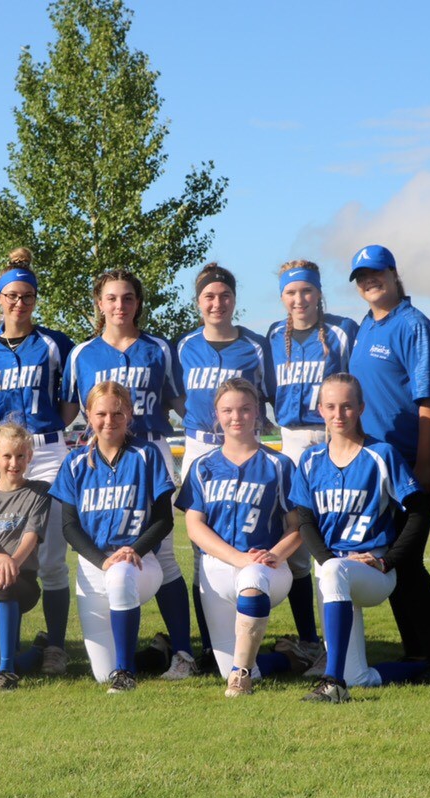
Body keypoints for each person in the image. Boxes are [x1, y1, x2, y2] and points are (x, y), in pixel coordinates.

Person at [61, 268, 196, 680]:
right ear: (99, 304)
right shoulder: (82, 353)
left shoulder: (158, 347)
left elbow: (180, 402)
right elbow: (67, 411)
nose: (120, 305)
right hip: (98, 449)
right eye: (112, 298)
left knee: (166, 556)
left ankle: (184, 654)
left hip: (149, 445)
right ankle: (145, 652)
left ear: (138, 303)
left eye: (128, 298)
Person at [347, 244, 430, 681]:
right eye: (361, 277)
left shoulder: (413, 325)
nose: (369, 282)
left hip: (408, 460)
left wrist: (423, 462)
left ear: (395, 274)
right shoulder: (366, 325)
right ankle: (419, 651)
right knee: (393, 559)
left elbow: (427, 399)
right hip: (375, 463)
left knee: (407, 560)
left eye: (376, 274)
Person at [291, 373, 430, 703]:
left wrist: (388, 560)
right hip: (332, 571)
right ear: (320, 410)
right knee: (359, 676)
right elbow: (305, 521)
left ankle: (332, 682)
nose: (338, 414)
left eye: (346, 406)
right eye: (331, 406)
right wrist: (330, 562)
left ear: (361, 408)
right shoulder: (311, 460)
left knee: (331, 571)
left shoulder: (381, 454)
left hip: (372, 571)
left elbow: (417, 513)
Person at [177, 379, 311, 697]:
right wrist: (237, 558)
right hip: (218, 568)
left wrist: (276, 555)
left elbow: (298, 526)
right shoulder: (202, 466)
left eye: (244, 409)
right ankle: (286, 657)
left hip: (267, 566)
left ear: (258, 414)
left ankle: (241, 678)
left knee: (252, 576)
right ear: (217, 415)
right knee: (233, 661)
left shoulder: (279, 465)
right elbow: (194, 526)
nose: (236, 417)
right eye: (228, 410)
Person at [0, 248, 74, 675]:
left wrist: (50, 436)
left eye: (27, 296)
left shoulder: (54, 344)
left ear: (36, 299)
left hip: (47, 451)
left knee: (50, 555)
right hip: (0, 455)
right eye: (11, 295)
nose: (19, 303)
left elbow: (68, 402)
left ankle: (54, 644)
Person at [174, 263, 272, 672]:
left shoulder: (255, 345)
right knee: (203, 552)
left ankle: (304, 640)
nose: (217, 303)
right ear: (198, 302)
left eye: (224, 295)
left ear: (234, 299)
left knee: (269, 538)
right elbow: (177, 398)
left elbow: (266, 398)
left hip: (247, 445)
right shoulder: (182, 346)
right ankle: (212, 646)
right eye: (209, 296)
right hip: (201, 447)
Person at [49, 382, 176, 693]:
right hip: (94, 566)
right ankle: (156, 655)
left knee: (120, 576)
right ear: (88, 415)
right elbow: (69, 526)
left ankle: (127, 673)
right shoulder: (75, 461)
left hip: (139, 561)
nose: (109, 421)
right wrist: (103, 561)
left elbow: (164, 519)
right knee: (101, 673)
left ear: (129, 414)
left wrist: (134, 549)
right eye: (101, 413)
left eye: (117, 413)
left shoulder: (146, 454)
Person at [266, 260, 354, 672]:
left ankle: (344, 646)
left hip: (331, 438)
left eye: (305, 291)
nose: (298, 299)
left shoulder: (342, 330)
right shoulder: (272, 336)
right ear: (281, 297)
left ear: (319, 292)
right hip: (291, 441)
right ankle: (309, 641)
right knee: (298, 544)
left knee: (334, 544)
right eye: (290, 292)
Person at [0, 422, 52, 690]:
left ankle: (6, 673)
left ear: (29, 456)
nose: (13, 463)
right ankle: (35, 651)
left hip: (22, 579)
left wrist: (11, 562)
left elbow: (31, 536)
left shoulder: (38, 491)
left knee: (4, 582)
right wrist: (1, 560)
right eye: (6, 456)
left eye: (20, 456)